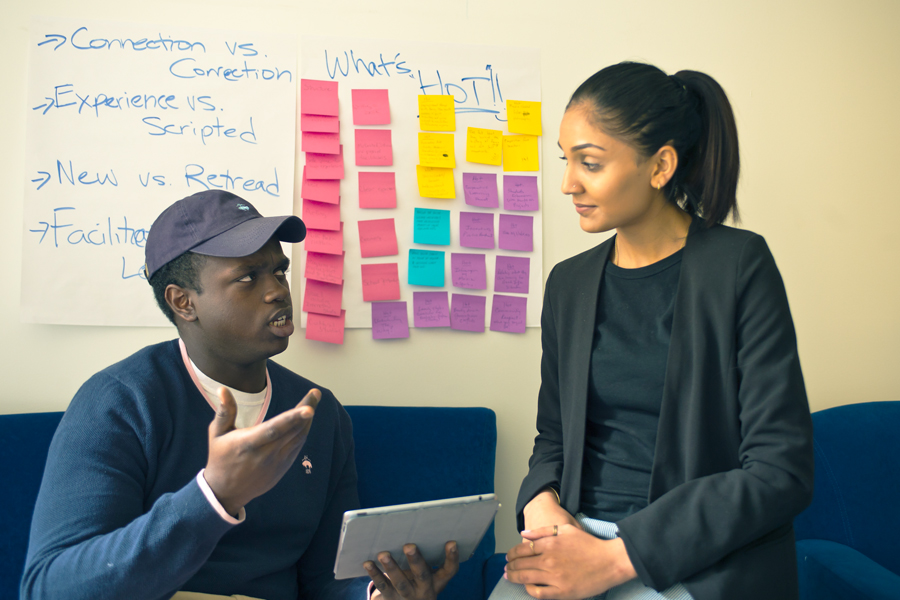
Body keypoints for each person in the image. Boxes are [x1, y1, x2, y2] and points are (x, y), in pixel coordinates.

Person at [21, 190, 458, 600]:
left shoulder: (318, 412)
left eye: (279, 270)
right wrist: (213, 496)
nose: (276, 290)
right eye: (248, 277)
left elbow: (326, 576)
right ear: (183, 302)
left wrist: (376, 593)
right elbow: (50, 585)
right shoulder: (120, 402)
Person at [491, 63, 814, 600]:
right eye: (566, 161)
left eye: (589, 163)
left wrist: (617, 558)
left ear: (661, 165)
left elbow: (781, 471)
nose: (568, 183)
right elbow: (553, 436)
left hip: (694, 559)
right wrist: (540, 499)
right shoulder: (568, 284)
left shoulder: (739, 266)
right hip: (576, 537)